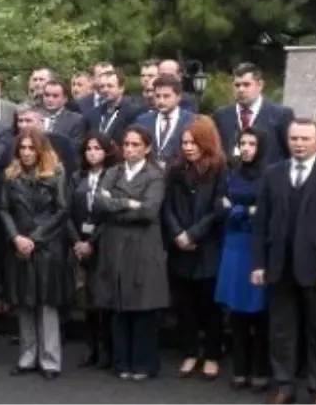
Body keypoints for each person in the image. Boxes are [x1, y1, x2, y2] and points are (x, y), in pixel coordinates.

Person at [252, 118, 316, 405]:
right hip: (279, 267)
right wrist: (259, 264)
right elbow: (261, 224)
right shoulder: (273, 174)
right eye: (294, 138)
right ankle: (284, 385)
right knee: (282, 331)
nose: (299, 143)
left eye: (306, 139)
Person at [91, 124, 169, 381]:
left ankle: (144, 364)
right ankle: (121, 362)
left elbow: (149, 211)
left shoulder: (154, 175)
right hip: (115, 245)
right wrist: (128, 203)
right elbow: (99, 203)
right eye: (126, 144)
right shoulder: (113, 171)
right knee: (119, 304)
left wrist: (117, 204)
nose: (130, 149)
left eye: (136, 145)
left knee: (143, 305)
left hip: (143, 246)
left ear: (147, 148)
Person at [162, 116, 228, 379]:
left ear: (205, 142)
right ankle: (190, 352)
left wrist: (193, 234)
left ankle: (212, 354)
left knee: (209, 305)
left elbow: (218, 210)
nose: (188, 147)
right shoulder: (175, 170)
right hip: (179, 247)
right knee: (184, 305)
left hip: (207, 246)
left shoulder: (221, 168)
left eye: (193, 142)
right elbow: (166, 207)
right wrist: (178, 233)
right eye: (185, 142)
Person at [2, 129, 71, 379]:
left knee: (46, 304)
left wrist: (36, 237)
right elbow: (4, 209)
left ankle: (50, 359)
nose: (27, 152)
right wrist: (16, 237)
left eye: (32, 148)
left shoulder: (56, 173)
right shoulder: (11, 175)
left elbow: (62, 210)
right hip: (20, 246)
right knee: (25, 302)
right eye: (23, 148)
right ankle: (27, 356)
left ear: (41, 150)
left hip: (47, 247)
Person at [214, 128, 269, 391]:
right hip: (234, 247)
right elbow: (219, 209)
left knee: (259, 313)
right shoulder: (230, 173)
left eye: (252, 143)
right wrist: (247, 210)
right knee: (236, 313)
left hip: (256, 248)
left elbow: (266, 213)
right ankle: (239, 368)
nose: (246, 148)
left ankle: (260, 368)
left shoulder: (269, 175)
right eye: (242, 143)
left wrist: (237, 209)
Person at [70, 133, 118, 369]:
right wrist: (77, 241)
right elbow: (66, 210)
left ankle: (107, 347)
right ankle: (91, 347)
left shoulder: (113, 176)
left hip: (103, 242)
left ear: (107, 151)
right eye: (88, 148)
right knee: (86, 298)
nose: (92, 153)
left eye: (97, 148)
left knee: (104, 297)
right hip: (80, 239)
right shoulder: (77, 176)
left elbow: (111, 214)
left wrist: (93, 241)